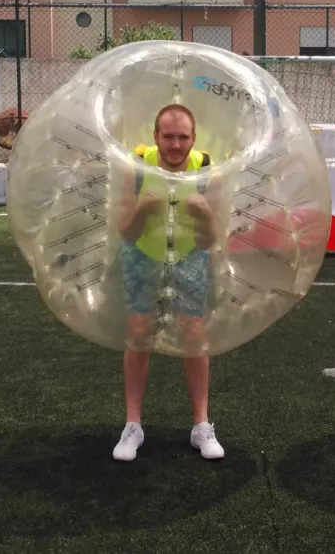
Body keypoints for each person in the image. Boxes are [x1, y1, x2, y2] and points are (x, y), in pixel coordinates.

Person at [112, 103, 225, 462]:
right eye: (169, 137)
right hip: (143, 254)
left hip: (190, 255)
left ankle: (202, 426)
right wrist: (143, 209)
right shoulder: (137, 167)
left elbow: (211, 240)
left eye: (183, 137)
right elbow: (126, 234)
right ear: (155, 137)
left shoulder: (207, 170)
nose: (176, 145)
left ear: (193, 138)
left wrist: (206, 215)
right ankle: (132, 426)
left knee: (194, 335)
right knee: (139, 333)